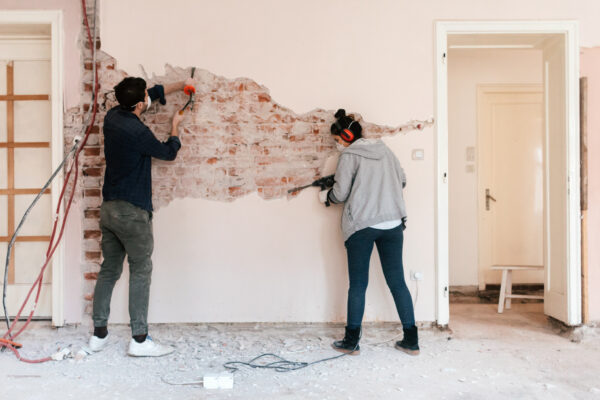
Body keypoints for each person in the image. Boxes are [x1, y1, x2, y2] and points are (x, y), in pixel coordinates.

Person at [88, 76, 194, 357]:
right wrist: (175, 127)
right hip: (132, 212)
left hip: (109, 209)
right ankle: (139, 340)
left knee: (109, 269)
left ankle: (98, 335)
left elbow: (152, 93)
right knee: (140, 271)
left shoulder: (112, 117)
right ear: (138, 104)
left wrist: (181, 84)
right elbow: (167, 152)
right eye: (145, 96)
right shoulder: (138, 133)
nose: (149, 98)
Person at [323, 109, 419, 356]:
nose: (337, 145)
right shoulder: (386, 151)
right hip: (392, 224)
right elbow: (403, 181)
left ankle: (351, 342)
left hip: (363, 227)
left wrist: (327, 195)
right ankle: (411, 340)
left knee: (358, 284)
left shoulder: (348, 156)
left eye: (336, 140)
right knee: (397, 282)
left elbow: (340, 194)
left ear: (345, 137)